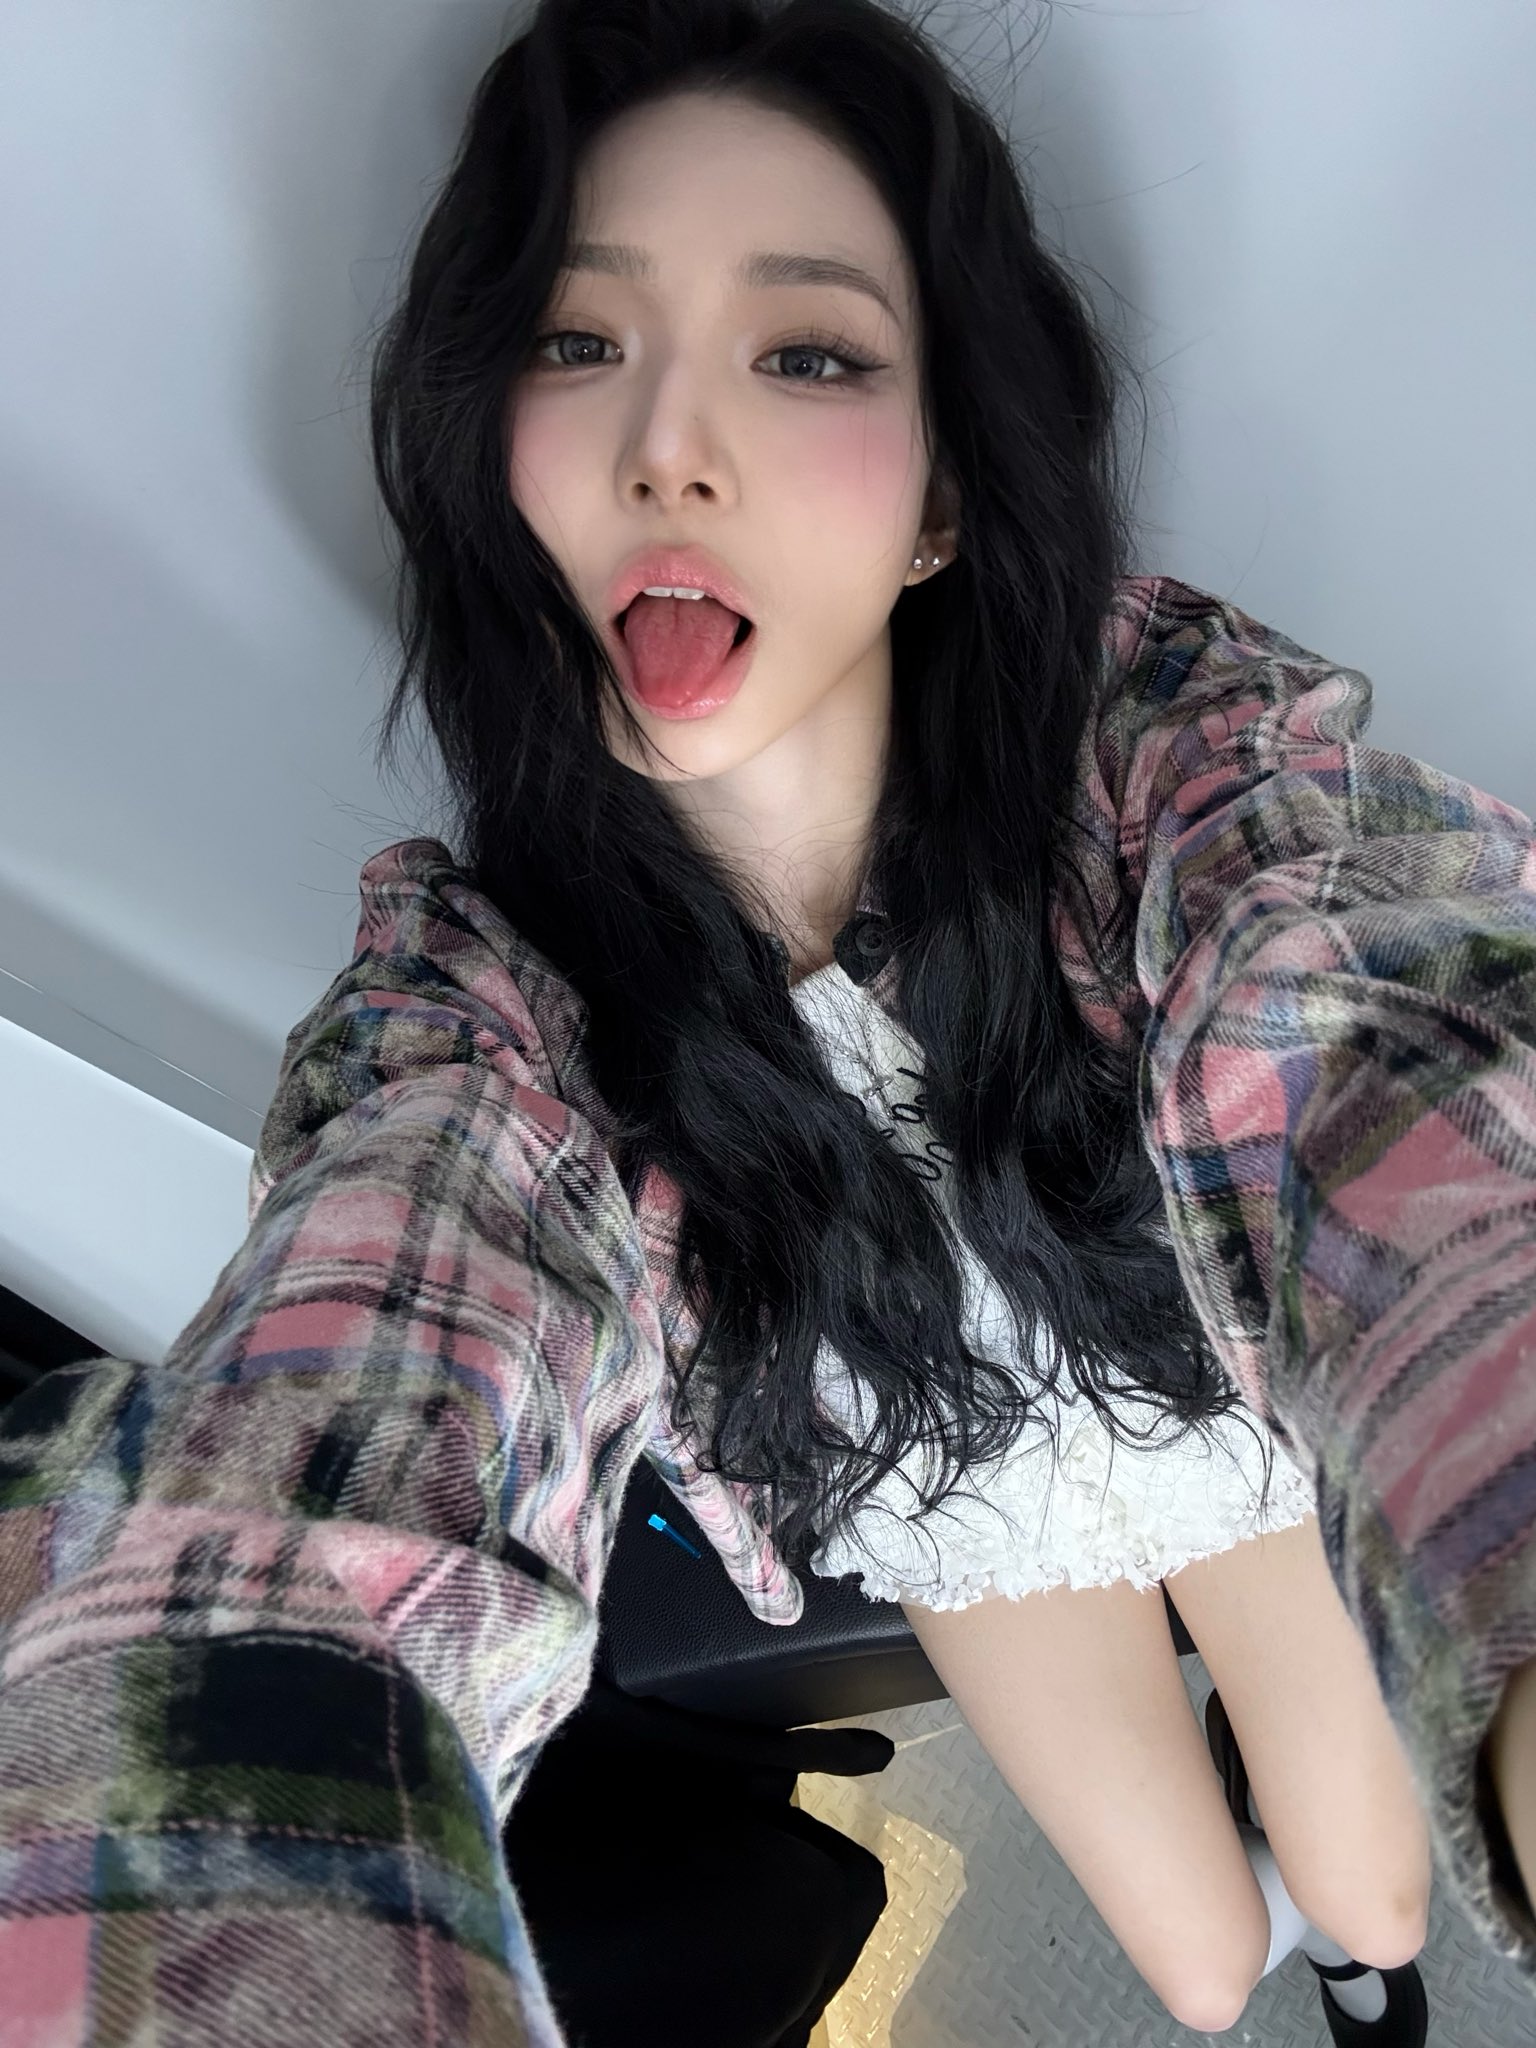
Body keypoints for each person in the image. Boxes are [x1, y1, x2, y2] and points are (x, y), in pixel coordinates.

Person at [2, 1, 1533, 2043]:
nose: (671, 443)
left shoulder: (1158, 757)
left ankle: (1350, 1929)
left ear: (940, 501)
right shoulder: (496, 1001)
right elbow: (358, 1377)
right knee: (1191, 1970)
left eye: (807, 352)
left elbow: (1383, 1040)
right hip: (955, 1475)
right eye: (578, 340)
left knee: (1378, 1889)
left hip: (1222, 1399)